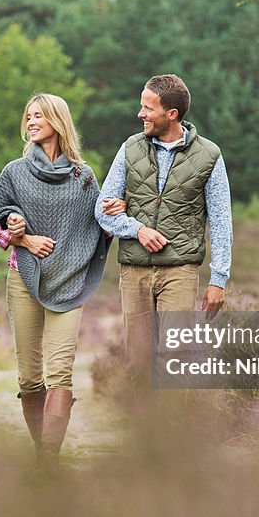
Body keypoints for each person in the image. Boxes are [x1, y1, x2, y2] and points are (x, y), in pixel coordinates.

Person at [0, 93, 123, 470]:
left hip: (70, 283)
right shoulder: (14, 172)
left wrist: (116, 211)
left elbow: (98, 227)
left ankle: (48, 457)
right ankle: (39, 446)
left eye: (38, 116)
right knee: (30, 378)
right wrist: (20, 235)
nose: (30, 122)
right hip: (23, 279)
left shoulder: (83, 176)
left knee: (60, 371)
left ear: (57, 121)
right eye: (27, 116)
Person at [95, 74, 232, 371]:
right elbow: (102, 209)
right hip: (134, 272)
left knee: (175, 361)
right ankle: (142, 420)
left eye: (148, 108)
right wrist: (137, 229)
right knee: (139, 365)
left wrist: (218, 280)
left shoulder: (209, 156)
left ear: (171, 114)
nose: (140, 113)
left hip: (180, 272)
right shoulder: (129, 148)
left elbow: (221, 221)